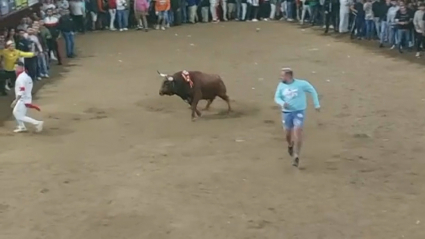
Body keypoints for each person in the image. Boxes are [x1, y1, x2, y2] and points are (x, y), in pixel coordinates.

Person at [274, 68, 320, 167]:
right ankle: (290, 145)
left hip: (299, 111)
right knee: (287, 133)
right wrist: (282, 103)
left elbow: (312, 91)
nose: (281, 77)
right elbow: (277, 97)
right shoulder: (281, 86)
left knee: (298, 131)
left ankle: (296, 155)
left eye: (283, 76)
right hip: (287, 113)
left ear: (289, 76)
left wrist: (316, 104)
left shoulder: (301, 84)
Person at [11, 61, 44, 133]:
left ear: (21, 68)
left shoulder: (21, 78)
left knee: (20, 115)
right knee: (16, 112)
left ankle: (37, 123)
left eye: (16, 67)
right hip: (26, 98)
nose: (15, 69)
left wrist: (16, 100)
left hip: (22, 99)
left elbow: (22, 90)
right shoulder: (25, 76)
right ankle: (22, 126)